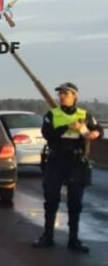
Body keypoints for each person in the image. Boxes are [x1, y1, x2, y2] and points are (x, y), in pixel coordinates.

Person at [33, 82, 103, 253]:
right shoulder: (52, 114)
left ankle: (74, 240)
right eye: (61, 94)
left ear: (75, 96)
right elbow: (47, 133)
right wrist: (68, 127)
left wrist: (96, 133)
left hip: (76, 162)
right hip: (56, 160)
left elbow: (98, 129)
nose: (62, 96)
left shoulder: (84, 115)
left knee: (75, 201)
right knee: (51, 199)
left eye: (66, 93)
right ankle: (47, 236)